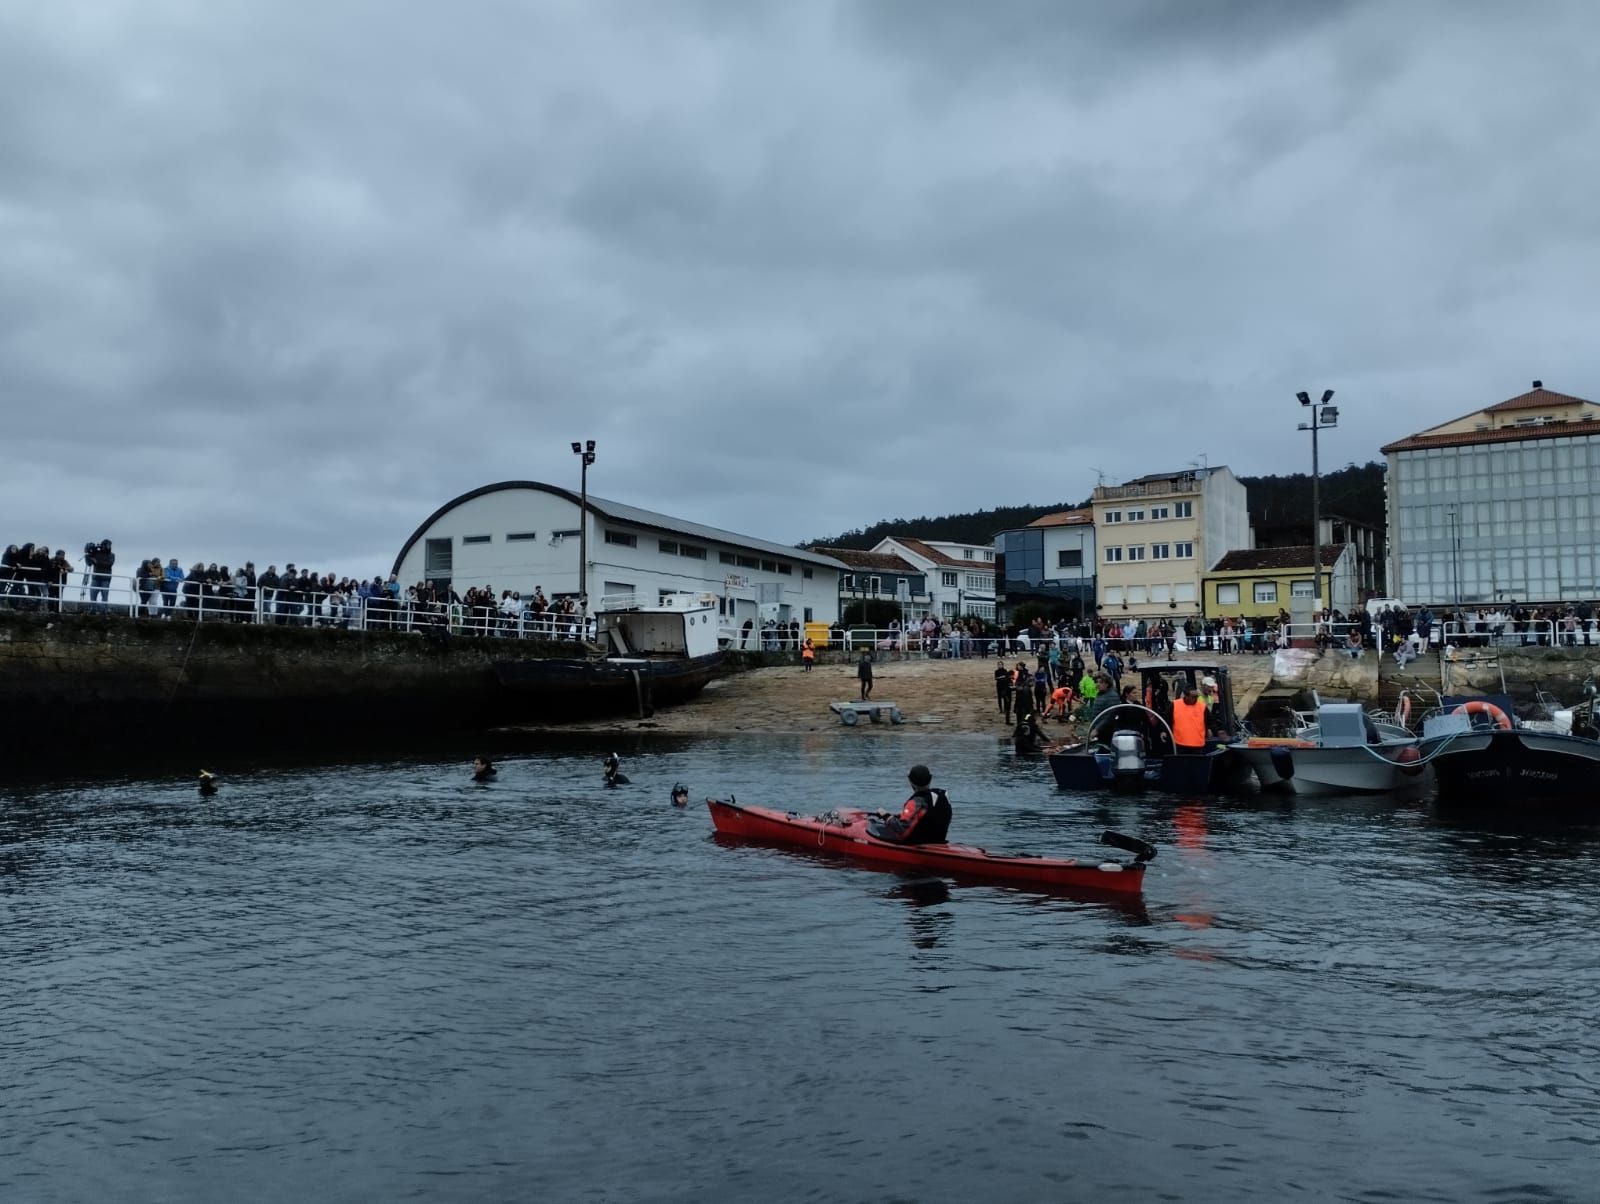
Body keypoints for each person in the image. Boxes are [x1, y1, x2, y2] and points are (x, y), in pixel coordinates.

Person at [867, 765, 951, 844]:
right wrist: (902, 815)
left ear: (911, 782)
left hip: (917, 843)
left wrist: (886, 816)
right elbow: (929, 814)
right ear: (930, 778)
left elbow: (901, 830)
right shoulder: (942, 796)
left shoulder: (916, 802)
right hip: (939, 841)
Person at [1171, 684, 1209, 755]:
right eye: (1193, 697)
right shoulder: (1175, 705)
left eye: (1197, 696)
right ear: (1186, 696)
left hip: (1197, 745)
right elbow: (1167, 718)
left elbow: (1210, 720)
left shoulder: (1202, 706)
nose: (1196, 699)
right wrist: (1163, 731)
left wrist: (1218, 730)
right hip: (1181, 744)